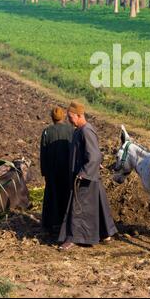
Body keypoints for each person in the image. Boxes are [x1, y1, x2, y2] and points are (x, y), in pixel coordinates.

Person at [58, 101, 117, 250]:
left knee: (77, 207)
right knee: (96, 205)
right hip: (88, 174)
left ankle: (72, 238)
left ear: (78, 116)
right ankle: (106, 233)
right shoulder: (79, 130)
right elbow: (93, 153)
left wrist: (84, 172)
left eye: (70, 117)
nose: (69, 120)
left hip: (84, 177)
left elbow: (95, 155)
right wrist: (94, 164)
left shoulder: (86, 131)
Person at [40, 106, 75, 234]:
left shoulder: (47, 132)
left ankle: (50, 223)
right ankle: (65, 222)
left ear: (52, 118)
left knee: (51, 196)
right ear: (64, 117)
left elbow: (43, 153)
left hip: (52, 171)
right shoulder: (71, 130)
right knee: (66, 195)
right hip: (67, 170)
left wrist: (44, 171)